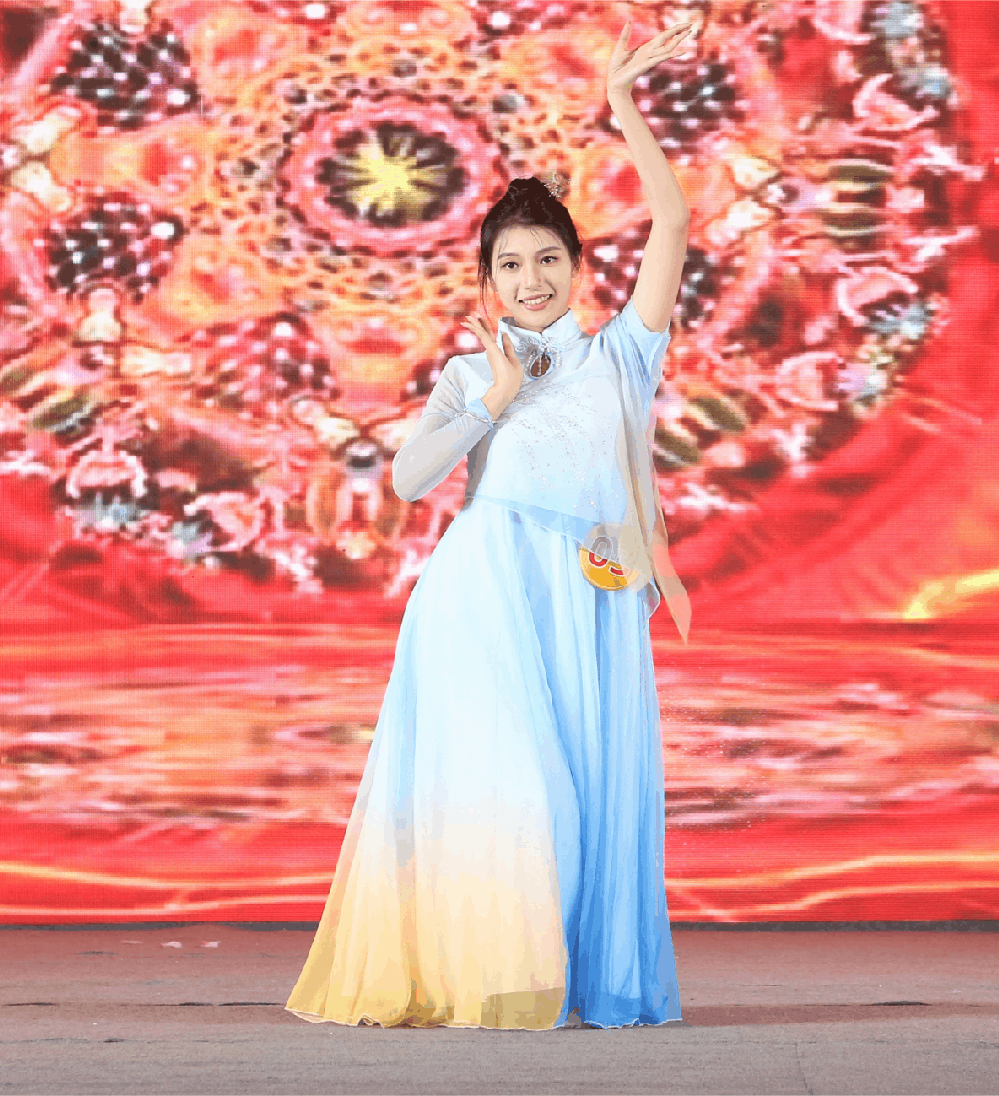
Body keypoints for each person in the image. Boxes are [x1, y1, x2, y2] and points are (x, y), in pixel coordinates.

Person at [285, 18, 697, 1031]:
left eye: (548, 259)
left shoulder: (621, 356)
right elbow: (406, 479)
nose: (531, 280)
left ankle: (561, 975)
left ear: (578, 265)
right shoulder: (472, 373)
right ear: (487, 279)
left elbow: (675, 221)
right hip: (482, 591)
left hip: (592, 593)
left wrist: (623, 104)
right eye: (510, 265)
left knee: (588, 789)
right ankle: (494, 977)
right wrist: (495, 399)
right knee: (516, 785)